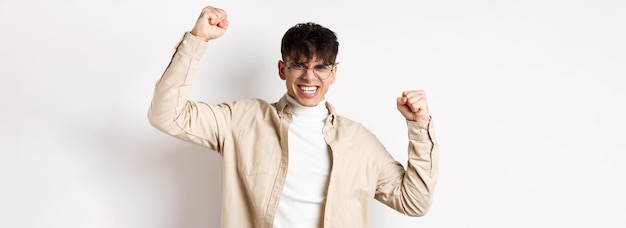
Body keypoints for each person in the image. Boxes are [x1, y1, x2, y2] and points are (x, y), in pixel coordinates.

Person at [148, 5, 439, 228]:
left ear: (333, 72)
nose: (309, 76)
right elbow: (166, 115)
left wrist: (418, 126)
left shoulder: (359, 141)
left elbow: (415, 202)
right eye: (299, 65)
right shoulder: (242, 119)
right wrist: (197, 40)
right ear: (282, 69)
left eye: (321, 67)